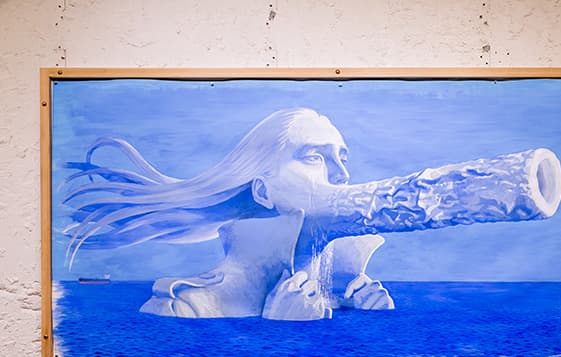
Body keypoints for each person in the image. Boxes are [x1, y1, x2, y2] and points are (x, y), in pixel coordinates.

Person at [63, 108, 395, 320]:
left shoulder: (340, 293)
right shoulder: (185, 306)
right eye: (314, 157)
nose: (341, 175)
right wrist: (280, 329)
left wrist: (370, 314)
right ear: (263, 191)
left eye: (342, 158)